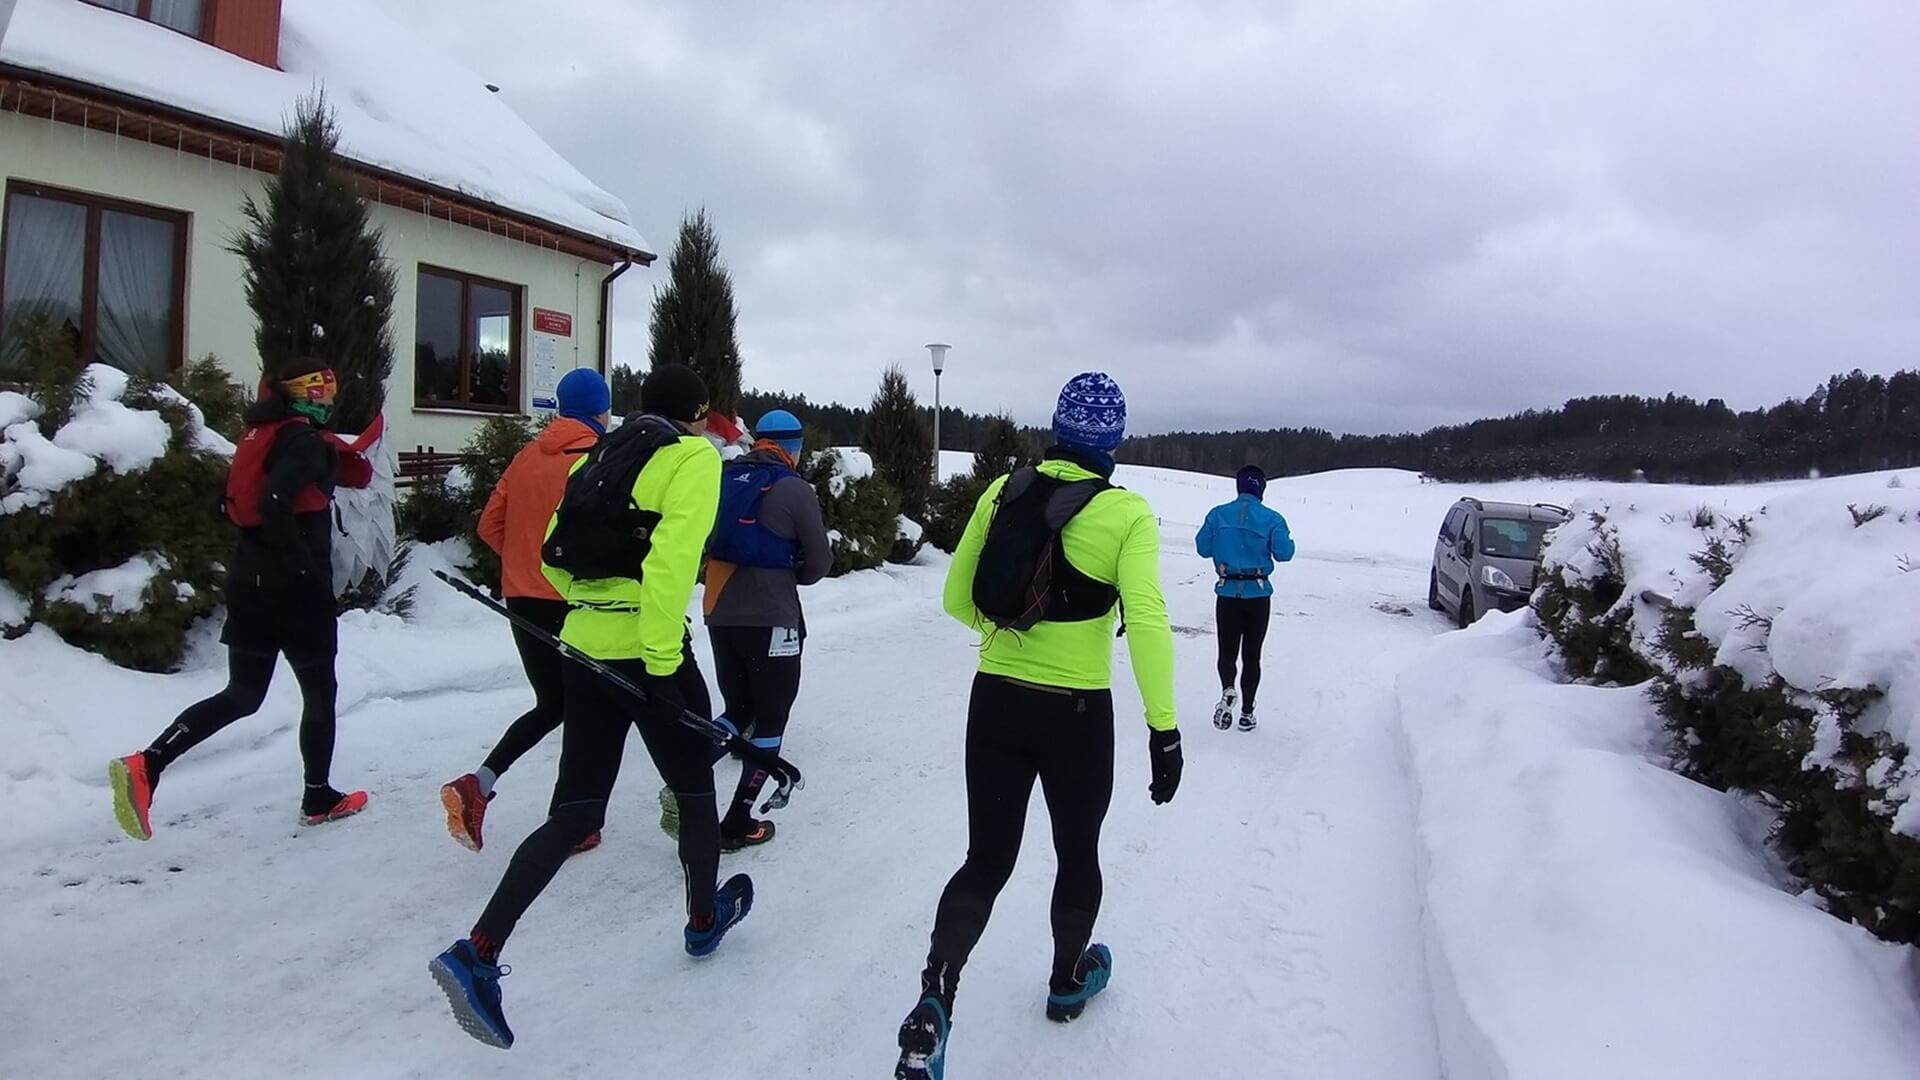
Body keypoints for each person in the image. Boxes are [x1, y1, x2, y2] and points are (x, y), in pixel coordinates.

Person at [430, 364, 750, 1051]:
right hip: (647, 647)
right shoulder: (692, 456)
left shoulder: (603, 454)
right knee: (694, 792)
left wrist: (591, 605)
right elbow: (670, 566)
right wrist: (662, 664)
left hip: (584, 645)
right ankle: (702, 921)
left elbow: (552, 552)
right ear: (696, 415)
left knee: (576, 809)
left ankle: (479, 950)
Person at [895, 372, 1183, 1080]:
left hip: (995, 699)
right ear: (1114, 438)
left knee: (986, 860)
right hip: (1077, 716)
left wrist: (1016, 633)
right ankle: (1065, 981)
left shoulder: (1005, 491)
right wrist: (1164, 728)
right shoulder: (1127, 514)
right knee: (1076, 852)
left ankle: (935, 997)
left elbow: (958, 600)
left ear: (1057, 426)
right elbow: (1146, 622)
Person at [108, 359, 375, 840]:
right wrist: (298, 567)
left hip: (249, 584)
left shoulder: (260, 435)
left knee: (243, 695)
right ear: (299, 394)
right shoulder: (302, 441)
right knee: (320, 693)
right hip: (295, 594)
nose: (328, 398)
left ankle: (148, 763)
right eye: (320, 389)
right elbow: (276, 500)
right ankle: (318, 795)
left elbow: (238, 503)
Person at [440, 368, 611, 854]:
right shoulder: (597, 458)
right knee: (588, 710)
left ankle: (480, 782)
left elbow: (490, 525)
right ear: (601, 410)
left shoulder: (526, 457)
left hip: (523, 600)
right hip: (578, 601)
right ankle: (572, 820)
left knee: (554, 703)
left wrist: (523, 563)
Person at [683, 408, 831, 850]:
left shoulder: (723, 476)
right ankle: (738, 820)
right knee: (771, 716)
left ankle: (685, 779)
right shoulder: (794, 489)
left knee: (738, 709)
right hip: (772, 617)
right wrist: (791, 574)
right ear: (793, 447)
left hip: (719, 610)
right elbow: (819, 562)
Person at [1195, 465, 1295, 732]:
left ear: (1238, 487)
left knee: (1226, 653)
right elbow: (1285, 553)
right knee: (1252, 656)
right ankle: (1247, 713)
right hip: (1258, 594)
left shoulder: (1218, 515)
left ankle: (1228, 689)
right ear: (1261, 489)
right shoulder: (1272, 519)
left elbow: (1202, 548)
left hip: (1227, 593)